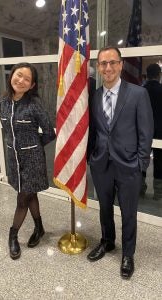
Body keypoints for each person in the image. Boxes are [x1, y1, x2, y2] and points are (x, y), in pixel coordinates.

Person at [87, 47, 153, 279]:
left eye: (113, 62)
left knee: (128, 212)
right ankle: (107, 242)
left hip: (129, 166)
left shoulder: (137, 94)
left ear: (121, 65)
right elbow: (94, 131)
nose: (108, 68)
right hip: (101, 164)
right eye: (103, 63)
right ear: (98, 66)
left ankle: (128, 254)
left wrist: (141, 165)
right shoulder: (94, 96)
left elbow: (146, 132)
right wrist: (90, 158)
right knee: (104, 208)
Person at [0, 62, 56, 260]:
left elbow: (49, 131)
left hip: (32, 160)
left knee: (22, 198)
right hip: (13, 159)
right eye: (18, 75)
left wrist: (34, 145)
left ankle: (13, 233)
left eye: (27, 79)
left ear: (32, 85)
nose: (21, 80)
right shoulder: (2, 102)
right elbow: (7, 131)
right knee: (30, 194)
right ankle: (39, 228)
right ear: (12, 75)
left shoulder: (34, 104)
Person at [144, 63, 162, 200]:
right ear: (159, 74)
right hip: (160, 130)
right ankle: (158, 192)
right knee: (160, 160)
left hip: (144, 128)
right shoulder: (161, 90)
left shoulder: (141, 90)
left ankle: (139, 188)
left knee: (142, 157)